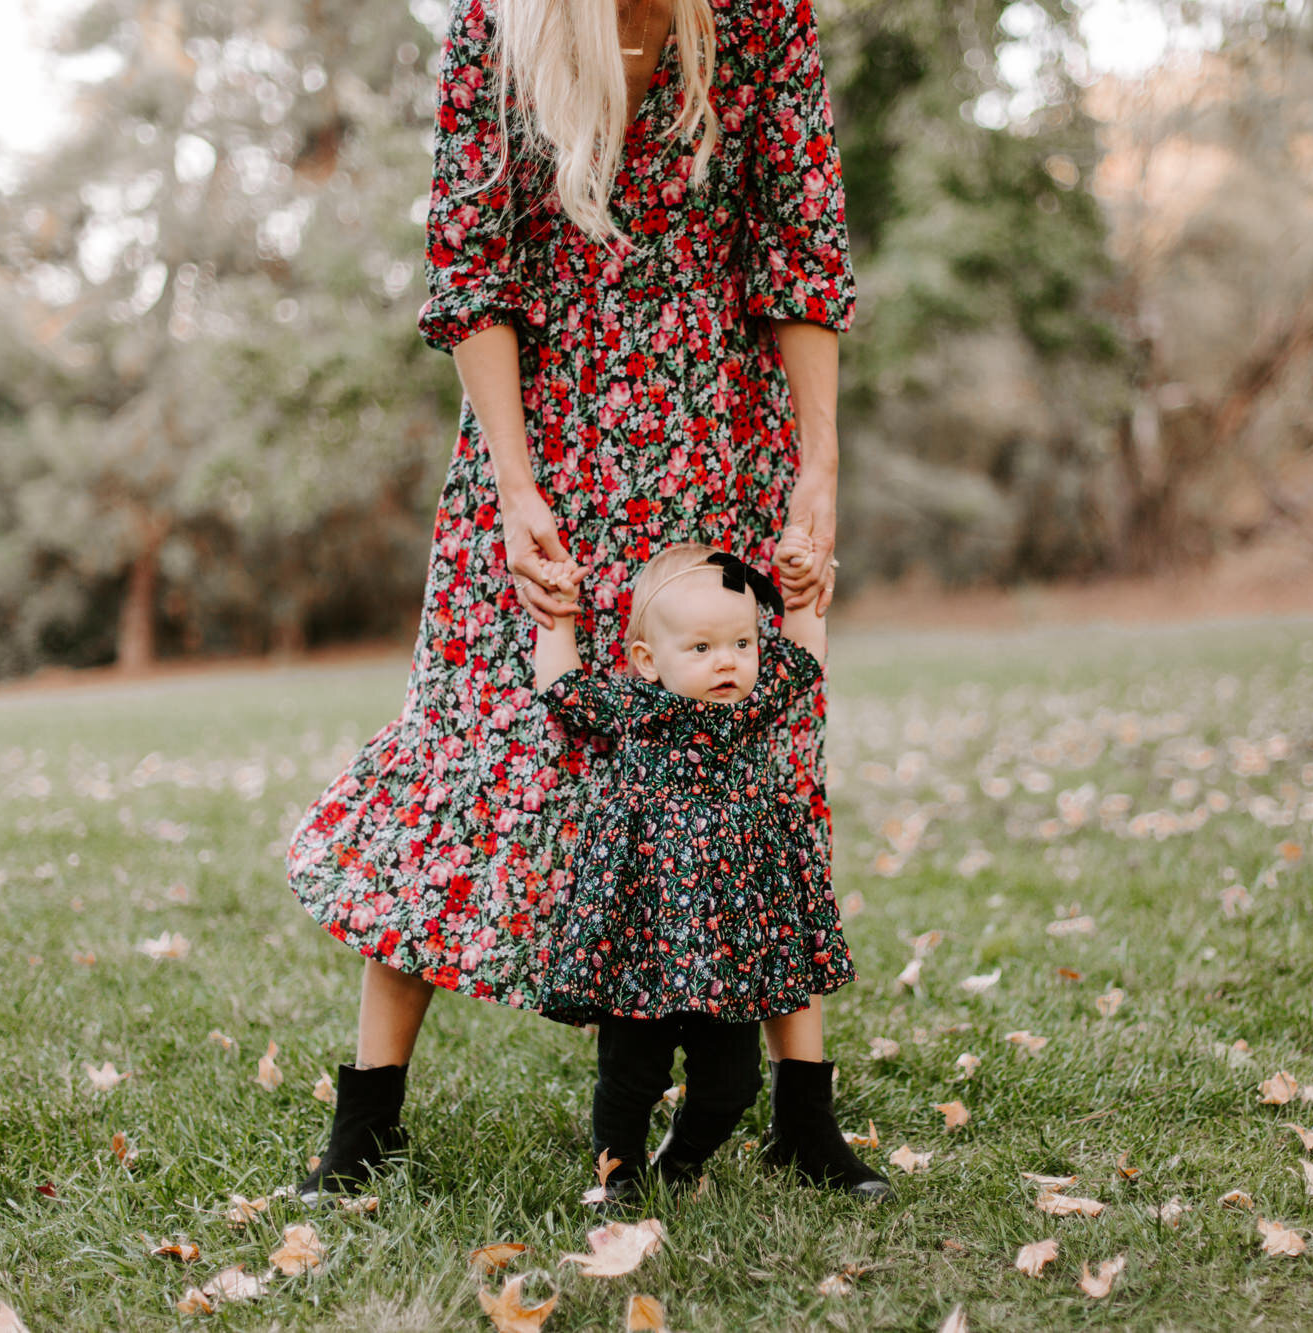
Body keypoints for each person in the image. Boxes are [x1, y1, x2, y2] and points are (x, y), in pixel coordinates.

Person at [282, 0, 889, 1202]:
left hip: (718, 440)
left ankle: (802, 1120)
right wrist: (511, 484)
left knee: (759, 759)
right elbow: (471, 263)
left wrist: (816, 467)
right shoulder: (495, 25)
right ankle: (366, 1123)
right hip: (544, 450)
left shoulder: (762, 18)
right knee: (465, 753)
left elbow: (801, 243)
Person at [533, 539, 849, 1202]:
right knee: (630, 1072)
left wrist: (803, 595)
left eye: (740, 642)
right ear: (649, 661)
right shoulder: (637, 711)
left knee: (734, 1082)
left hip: (732, 940)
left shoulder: (751, 712)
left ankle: (682, 1156)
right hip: (646, 937)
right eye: (702, 649)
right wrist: (557, 617)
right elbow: (561, 688)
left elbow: (802, 657)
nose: (727, 661)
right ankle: (618, 1172)